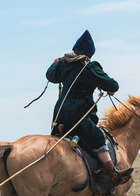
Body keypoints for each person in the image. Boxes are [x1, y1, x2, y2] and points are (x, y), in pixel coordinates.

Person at [46, 30, 133, 185]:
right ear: (90, 53)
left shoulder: (64, 63)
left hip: (61, 112)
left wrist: (55, 63)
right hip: (80, 113)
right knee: (98, 137)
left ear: (75, 49)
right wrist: (105, 87)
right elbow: (113, 85)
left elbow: (50, 76)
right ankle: (113, 173)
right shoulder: (90, 66)